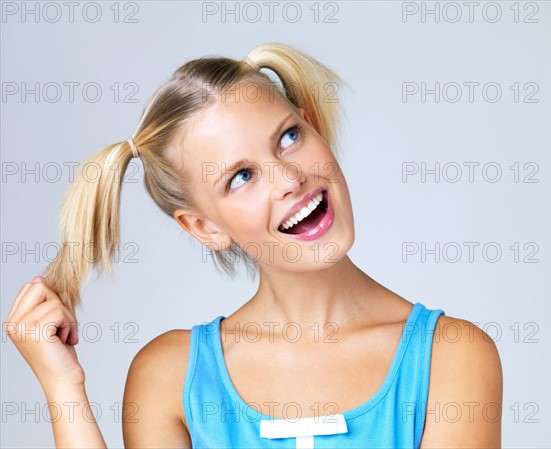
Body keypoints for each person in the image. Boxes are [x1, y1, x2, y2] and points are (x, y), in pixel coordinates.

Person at [3, 42, 503, 448]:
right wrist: (63, 388)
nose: (289, 177)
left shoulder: (452, 357)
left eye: (288, 137)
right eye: (241, 176)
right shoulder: (170, 378)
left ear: (314, 125)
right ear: (204, 228)